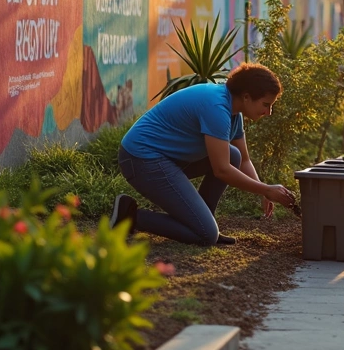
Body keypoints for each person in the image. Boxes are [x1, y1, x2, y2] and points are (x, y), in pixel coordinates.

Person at [111, 64, 297, 246]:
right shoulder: (217, 108)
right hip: (140, 159)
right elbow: (222, 170)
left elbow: (244, 159)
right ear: (246, 97)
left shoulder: (234, 112)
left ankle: (204, 222)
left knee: (233, 155)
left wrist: (264, 192)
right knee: (206, 235)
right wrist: (266, 189)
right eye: (266, 104)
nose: (268, 112)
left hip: (165, 158)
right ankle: (129, 216)